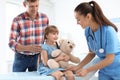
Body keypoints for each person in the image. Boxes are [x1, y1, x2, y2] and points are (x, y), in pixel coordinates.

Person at [68, 1, 120, 80]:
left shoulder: (109, 31)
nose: (77, 23)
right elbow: (91, 53)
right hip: (104, 69)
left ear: (88, 16)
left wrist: (87, 70)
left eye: (78, 19)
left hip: (117, 69)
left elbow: (110, 59)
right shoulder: (87, 31)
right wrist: (78, 66)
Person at [8, 0, 49, 72]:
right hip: (21, 58)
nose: (35, 9)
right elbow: (11, 43)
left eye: (37, 6)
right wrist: (28, 48)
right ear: (24, 4)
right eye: (31, 6)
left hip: (38, 58)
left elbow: (47, 38)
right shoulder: (17, 19)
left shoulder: (44, 18)